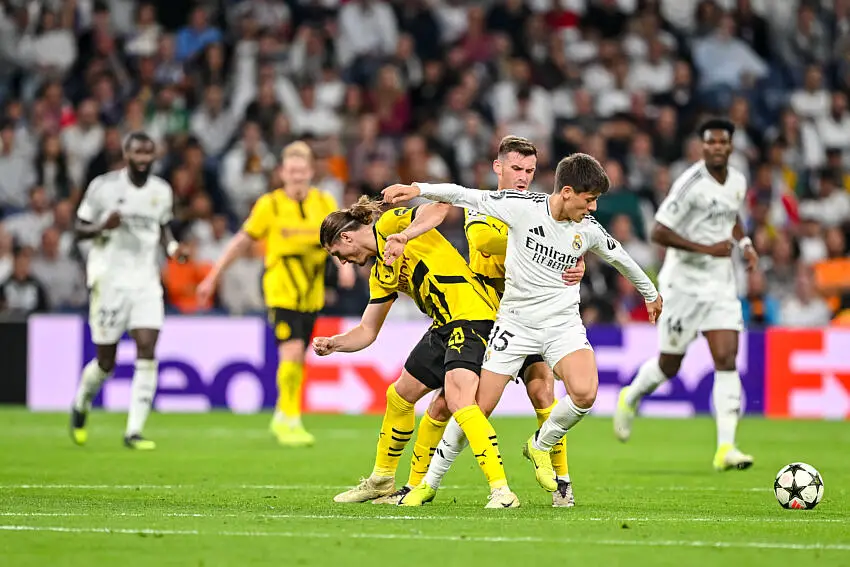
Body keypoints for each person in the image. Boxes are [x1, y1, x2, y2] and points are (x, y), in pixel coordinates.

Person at [382, 153, 661, 495]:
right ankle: (427, 484)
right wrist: (417, 188)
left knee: (577, 393)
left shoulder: (586, 228)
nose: (593, 208)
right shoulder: (517, 207)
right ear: (568, 192)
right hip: (510, 323)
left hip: (561, 326)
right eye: (589, 200)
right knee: (474, 407)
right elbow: (463, 199)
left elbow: (620, 256)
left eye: (530, 170)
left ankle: (544, 452)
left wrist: (650, 293)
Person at [378, 136, 583, 508]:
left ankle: (563, 482)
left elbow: (578, 240)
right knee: (450, 405)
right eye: (516, 168)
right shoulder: (484, 204)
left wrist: (575, 256)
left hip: (530, 314)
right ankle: (416, 485)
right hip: (487, 316)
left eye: (530, 170)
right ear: (498, 167)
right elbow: (485, 241)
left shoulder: (544, 207)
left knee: (543, 392)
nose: (523, 177)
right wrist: (546, 244)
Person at [313, 198, 520, 509]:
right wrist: (335, 344)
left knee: (459, 401)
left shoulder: (390, 225)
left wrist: (405, 236)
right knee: (400, 395)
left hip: (473, 316)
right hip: (444, 325)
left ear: (346, 237)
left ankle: (502, 491)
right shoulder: (381, 273)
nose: (342, 262)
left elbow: (439, 207)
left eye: (337, 253)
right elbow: (367, 330)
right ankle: (383, 481)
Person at [612, 118, 759, 472]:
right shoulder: (690, 183)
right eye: (710, 142)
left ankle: (726, 447)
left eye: (722, 142)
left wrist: (744, 242)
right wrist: (707, 249)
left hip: (720, 285)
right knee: (669, 364)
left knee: (726, 358)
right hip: (683, 285)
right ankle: (631, 395)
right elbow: (659, 232)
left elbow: (730, 214)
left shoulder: (737, 181)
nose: (716, 147)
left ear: (731, 146)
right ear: (703, 146)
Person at [197, 141, 348, 447]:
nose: (297, 176)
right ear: (282, 172)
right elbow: (242, 241)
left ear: (310, 171)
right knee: (291, 350)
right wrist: (213, 276)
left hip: (311, 293)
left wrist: (343, 266)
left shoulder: (324, 202)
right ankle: (291, 419)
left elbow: (335, 239)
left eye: (302, 170)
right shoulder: (270, 205)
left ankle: (282, 414)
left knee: (300, 355)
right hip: (281, 290)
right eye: (291, 170)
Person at [70, 132, 183, 450]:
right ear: (126, 154)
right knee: (106, 362)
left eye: (148, 153)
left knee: (147, 346)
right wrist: (101, 227)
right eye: (137, 153)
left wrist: (173, 249)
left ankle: (134, 431)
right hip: (110, 281)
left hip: (145, 281)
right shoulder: (103, 187)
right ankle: (82, 400)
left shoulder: (161, 191)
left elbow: (163, 228)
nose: (143, 159)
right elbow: (77, 228)